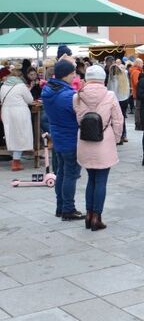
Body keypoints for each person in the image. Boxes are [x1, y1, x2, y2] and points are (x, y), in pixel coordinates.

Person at [73, 65, 123, 231]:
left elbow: (78, 117)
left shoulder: (77, 96)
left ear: (87, 78)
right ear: (103, 79)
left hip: (85, 142)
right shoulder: (109, 95)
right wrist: (114, 139)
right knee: (101, 180)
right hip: (104, 142)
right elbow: (118, 120)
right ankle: (97, 218)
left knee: (91, 179)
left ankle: (88, 215)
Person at [42, 59, 84, 220]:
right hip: (70, 138)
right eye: (73, 73)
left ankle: (60, 207)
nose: (75, 76)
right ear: (66, 74)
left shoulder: (48, 89)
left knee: (60, 173)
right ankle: (68, 209)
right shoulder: (67, 95)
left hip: (57, 137)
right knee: (70, 175)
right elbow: (79, 115)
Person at [0, 62, 34, 171]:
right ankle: (16, 162)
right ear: (19, 77)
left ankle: (16, 160)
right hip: (20, 111)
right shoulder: (21, 85)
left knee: (12, 135)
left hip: (6, 112)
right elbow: (30, 100)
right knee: (20, 135)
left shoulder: (3, 85)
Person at [107, 63, 130, 143]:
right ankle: (123, 135)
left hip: (116, 100)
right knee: (122, 118)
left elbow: (110, 89)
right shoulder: (124, 77)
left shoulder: (112, 78)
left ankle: (119, 136)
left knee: (115, 119)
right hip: (123, 99)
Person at [129, 58, 144, 127]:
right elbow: (137, 83)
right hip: (139, 93)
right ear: (138, 64)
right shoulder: (136, 72)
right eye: (142, 63)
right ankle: (138, 123)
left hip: (138, 92)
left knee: (138, 108)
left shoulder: (136, 71)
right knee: (138, 108)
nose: (143, 64)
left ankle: (139, 122)